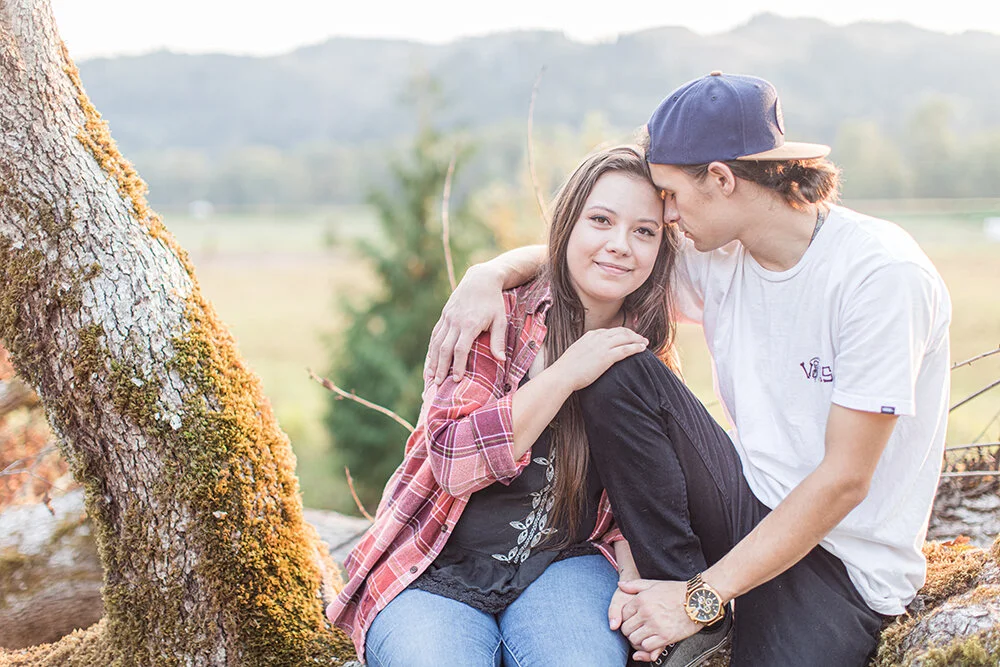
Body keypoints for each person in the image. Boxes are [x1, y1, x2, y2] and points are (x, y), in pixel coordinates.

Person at [426, 72, 951, 666]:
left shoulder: (880, 278)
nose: (667, 215)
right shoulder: (719, 254)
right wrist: (490, 272)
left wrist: (701, 597)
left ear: (722, 180)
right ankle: (680, 595)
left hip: (840, 563)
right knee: (620, 368)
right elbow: (600, 259)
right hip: (743, 504)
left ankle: (694, 606)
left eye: (671, 195)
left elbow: (846, 480)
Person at [327, 146, 721, 666]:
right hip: (437, 565)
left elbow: (643, 489)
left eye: (644, 232)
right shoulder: (496, 317)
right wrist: (564, 375)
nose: (619, 246)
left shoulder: (643, 349)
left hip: (566, 566)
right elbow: (451, 460)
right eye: (600, 221)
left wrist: (633, 575)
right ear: (567, 226)